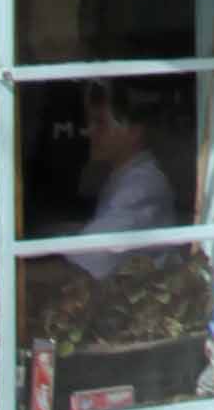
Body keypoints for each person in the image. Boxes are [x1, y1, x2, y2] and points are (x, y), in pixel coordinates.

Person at [70, 83, 177, 279]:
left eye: (100, 123)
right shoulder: (122, 177)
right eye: (89, 123)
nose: (89, 131)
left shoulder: (143, 187)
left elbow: (90, 257)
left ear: (134, 131)